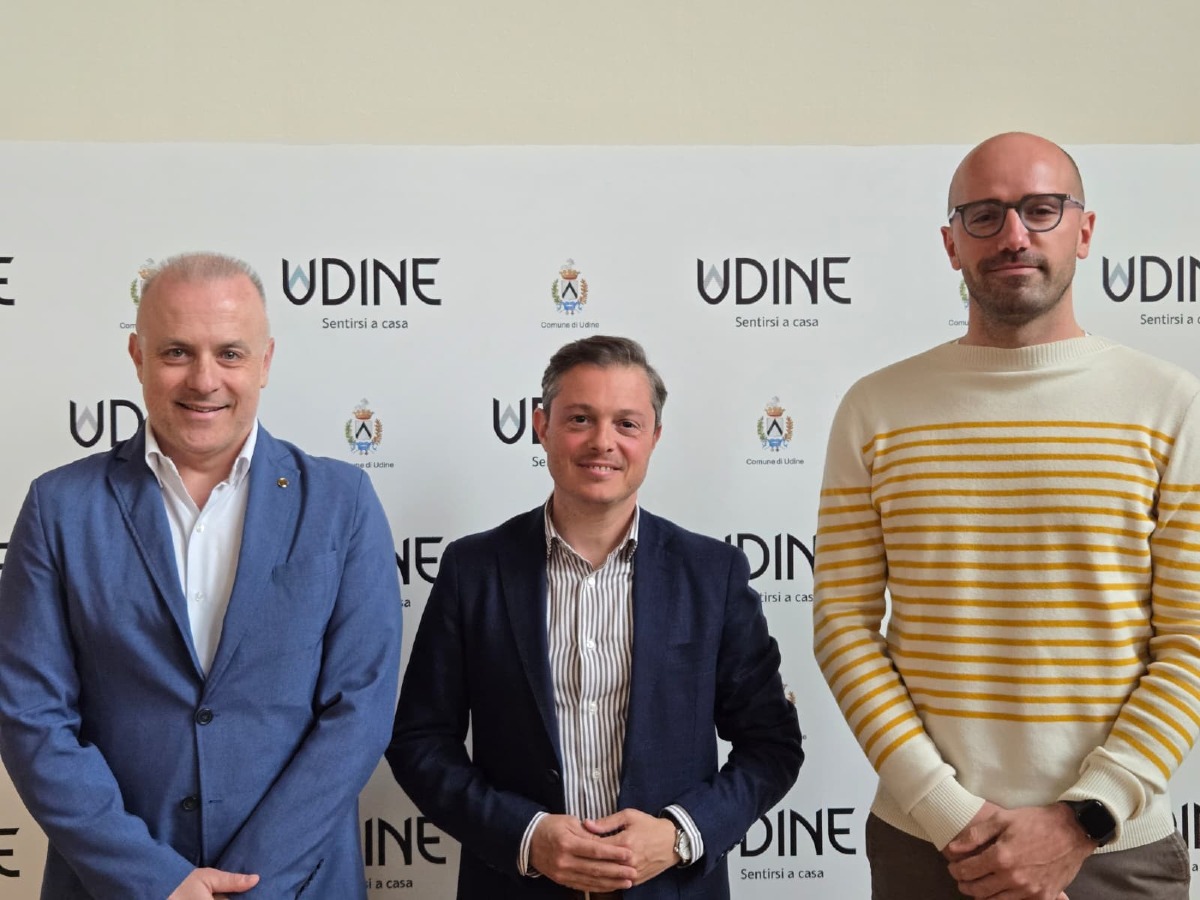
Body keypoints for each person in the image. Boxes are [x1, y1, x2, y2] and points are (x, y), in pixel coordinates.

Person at [813, 131, 1200, 900]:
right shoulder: (875, 408)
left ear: (1084, 230)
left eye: (1041, 209)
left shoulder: (1170, 405)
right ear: (951, 243)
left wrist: (1082, 819)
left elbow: (1191, 639)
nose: (1014, 234)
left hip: (1113, 849)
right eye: (984, 215)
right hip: (931, 847)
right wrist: (948, 812)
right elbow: (842, 625)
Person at [0, 252, 403, 899]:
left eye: (230, 353)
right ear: (137, 356)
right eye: (177, 352)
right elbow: (31, 718)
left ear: (265, 361)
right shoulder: (60, 507)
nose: (204, 379)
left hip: (296, 887)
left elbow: (360, 712)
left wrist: (249, 884)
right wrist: (156, 881)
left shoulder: (342, 503)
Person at [387, 335, 802, 899]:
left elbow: (772, 746)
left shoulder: (713, 575)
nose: (602, 442)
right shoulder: (473, 569)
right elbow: (419, 741)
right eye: (580, 419)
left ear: (654, 437)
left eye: (626, 424)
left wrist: (680, 834)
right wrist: (526, 836)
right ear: (542, 426)